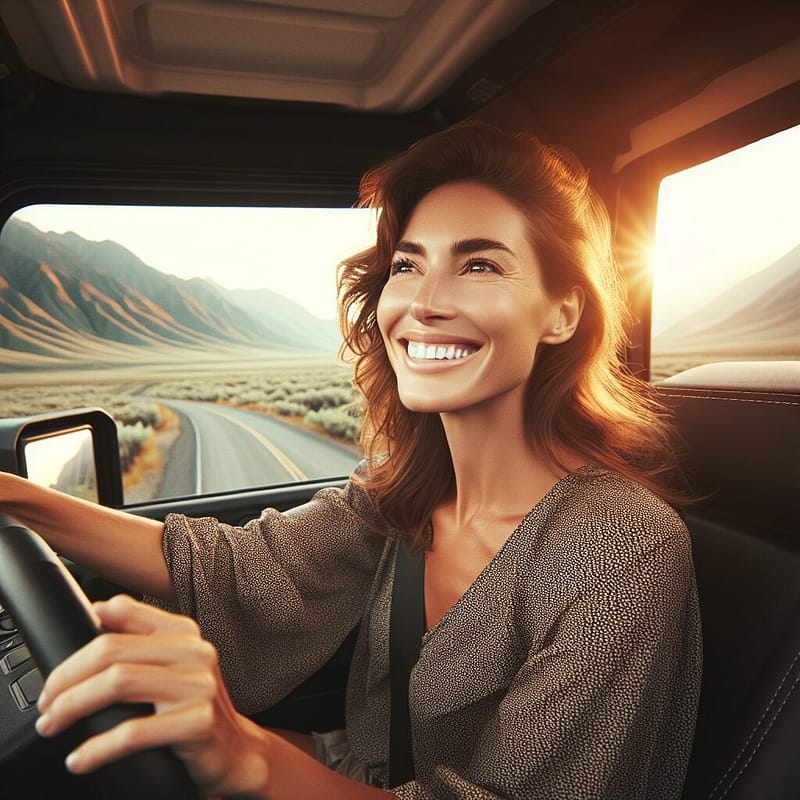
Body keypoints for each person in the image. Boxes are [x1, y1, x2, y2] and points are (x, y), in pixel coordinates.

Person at [0, 122, 701, 799]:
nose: (424, 302)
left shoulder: (622, 550)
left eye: (479, 264)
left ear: (563, 313)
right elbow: (236, 572)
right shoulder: (403, 491)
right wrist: (17, 499)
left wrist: (251, 757)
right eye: (407, 265)